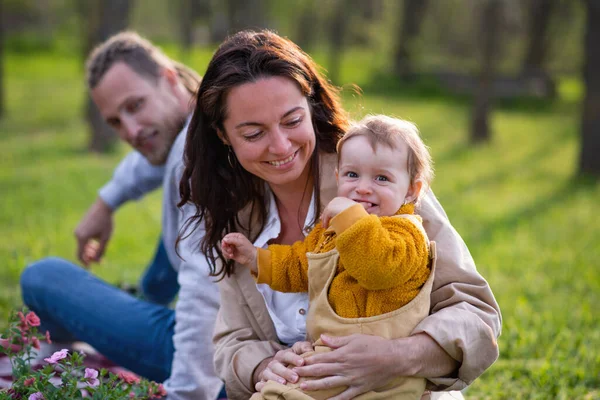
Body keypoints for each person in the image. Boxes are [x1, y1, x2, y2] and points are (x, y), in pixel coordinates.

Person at [178, 29, 502, 400]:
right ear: (222, 135)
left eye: (292, 120)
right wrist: (262, 366)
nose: (281, 146)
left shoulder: (374, 181)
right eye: (253, 133)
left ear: (311, 106)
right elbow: (231, 339)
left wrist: (397, 357)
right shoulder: (231, 210)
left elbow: (477, 313)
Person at [19, 32, 224, 400]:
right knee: (172, 240)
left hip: (213, 356)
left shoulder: (193, 164)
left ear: (168, 79)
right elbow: (150, 159)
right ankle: (146, 299)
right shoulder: (213, 120)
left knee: (42, 276)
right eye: (115, 121)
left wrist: (189, 390)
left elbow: (204, 293)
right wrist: (105, 203)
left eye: (135, 106)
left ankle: (57, 355)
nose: (129, 131)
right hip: (254, 332)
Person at [221, 115, 436, 400]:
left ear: (412, 190)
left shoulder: (407, 233)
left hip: (383, 373)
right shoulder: (334, 230)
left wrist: (352, 219)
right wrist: (256, 258)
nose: (362, 188)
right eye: (352, 175)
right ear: (337, 178)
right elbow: (299, 265)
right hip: (330, 357)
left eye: (381, 178)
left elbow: (378, 268)